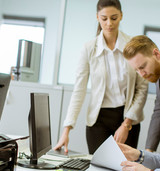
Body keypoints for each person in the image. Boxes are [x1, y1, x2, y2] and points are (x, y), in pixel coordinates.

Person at [54, 0, 148, 154]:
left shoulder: (133, 46)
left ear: (121, 16)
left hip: (127, 118)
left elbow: (142, 89)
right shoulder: (89, 49)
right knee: (98, 170)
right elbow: (79, 90)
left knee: (124, 170)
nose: (109, 23)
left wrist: (127, 124)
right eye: (104, 18)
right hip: (98, 121)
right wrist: (67, 130)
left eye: (114, 18)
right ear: (97, 17)